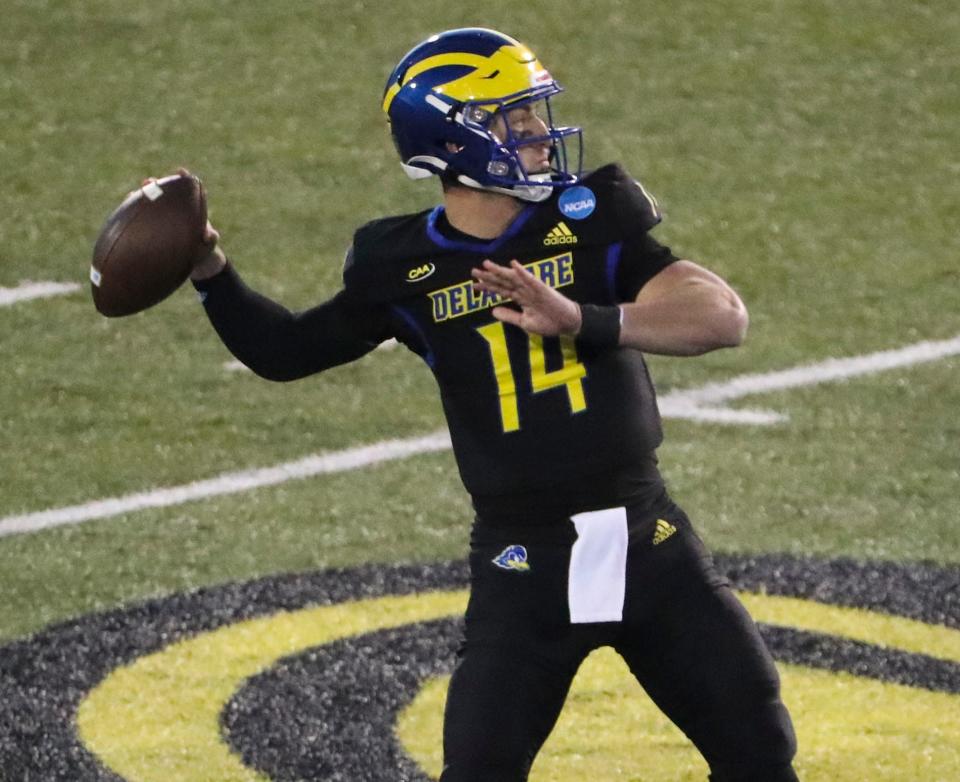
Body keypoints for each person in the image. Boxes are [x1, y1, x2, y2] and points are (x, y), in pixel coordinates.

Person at [188, 27, 798, 782]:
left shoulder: (589, 218)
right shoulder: (402, 266)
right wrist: (210, 269)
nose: (540, 132)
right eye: (514, 116)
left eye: (534, 112)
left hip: (651, 540)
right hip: (523, 565)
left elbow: (720, 316)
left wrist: (584, 318)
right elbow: (283, 352)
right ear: (455, 138)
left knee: (762, 755)